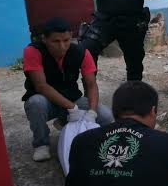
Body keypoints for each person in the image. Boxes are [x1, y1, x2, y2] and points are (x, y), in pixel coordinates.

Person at [23, 17, 113, 162]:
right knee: (35, 103)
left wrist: (92, 111)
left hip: (73, 98)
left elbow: (91, 84)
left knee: (106, 115)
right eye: (56, 41)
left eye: (66, 40)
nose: (62, 46)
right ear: (44, 39)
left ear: (71, 37)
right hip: (47, 101)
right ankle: (41, 144)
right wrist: (71, 107)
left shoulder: (81, 52)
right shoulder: (33, 51)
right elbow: (41, 86)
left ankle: (71, 126)